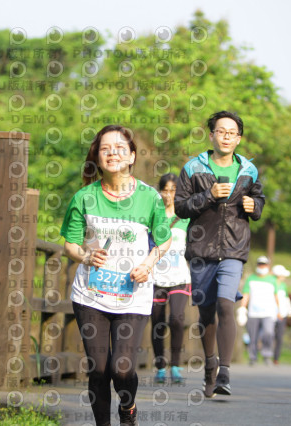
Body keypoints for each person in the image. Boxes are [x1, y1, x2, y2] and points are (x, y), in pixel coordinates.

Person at [61, 124, 172, 426]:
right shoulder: (84, 197)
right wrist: (85, 254)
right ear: (96, 156)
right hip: (91, 295)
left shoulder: (149, 197)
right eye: (105, 148)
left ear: (132, 155)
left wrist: (149, 264)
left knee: (121, 369)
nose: (112, 153)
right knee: (98, 369)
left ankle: (128, 407)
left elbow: (164, 241)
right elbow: (70, 243)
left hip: (132, 296)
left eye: (120, 148)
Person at [174, 110, 265, 397]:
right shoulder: (192, 167)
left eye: (232, 133)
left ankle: (224, 372)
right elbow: (180, 207)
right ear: (211, 134)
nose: (226, 137)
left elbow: (259, 200)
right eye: (220, 131)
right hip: (201, 250)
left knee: (227, 305)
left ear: (239, 138)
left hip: (234, 248)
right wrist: (209, 195)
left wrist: (255, 206)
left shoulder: (249, 170)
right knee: (206, 314)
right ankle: (210, 366)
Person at [150, 173, 191, 384]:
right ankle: (160, 366)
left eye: (173, 190)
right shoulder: (154, 216)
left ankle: (175, 365)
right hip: (156, 277)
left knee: (176, 318)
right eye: (165, 190)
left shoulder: (187, 217)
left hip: (181, 277)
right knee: (157, 322)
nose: (169, 194)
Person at [240, 256, 278, 366]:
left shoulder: (272, 280)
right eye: (260, 264)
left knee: (268, 333)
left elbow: (276, 296)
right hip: (253, 312)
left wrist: (279, 310)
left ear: (267, 266)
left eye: (264, 264)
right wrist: (243, 308)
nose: (262, 266)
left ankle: (267, 355)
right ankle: (252, 356)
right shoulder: (251, 279)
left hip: (268, 312)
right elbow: (246, 294)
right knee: (253, 336)